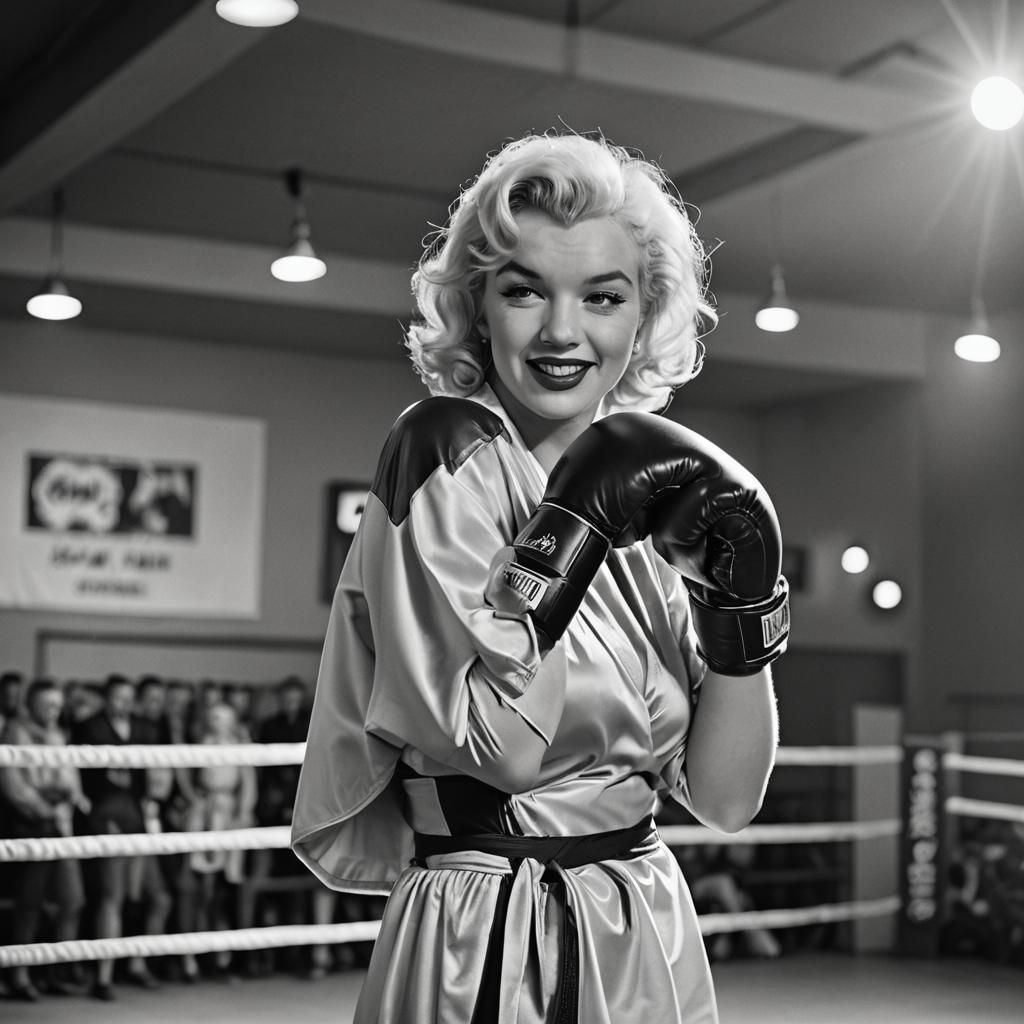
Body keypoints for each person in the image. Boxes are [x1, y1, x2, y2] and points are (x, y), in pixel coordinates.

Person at [292, 131, 789, 1023]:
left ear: (644, 314)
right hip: (487, 928)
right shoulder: (441, 452)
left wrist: (744, 610)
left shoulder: (654, 498)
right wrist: (571, 529)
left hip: (642, 919)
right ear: (479, 307)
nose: (563, 332)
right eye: (525, 291)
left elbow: (721, 799)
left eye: (603, 296)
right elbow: (506, 752)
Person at [71, 675, 169, 999]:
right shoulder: (89, 727)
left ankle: (137, 965)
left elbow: (152, 780)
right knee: (113, 896)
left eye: (128, 698)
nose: (123, 704)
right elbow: (82, 781)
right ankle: (104, 976)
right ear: (106, 698)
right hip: (106, 817)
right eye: (117, 698)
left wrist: (152, 807)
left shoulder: (145, 728)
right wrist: (95, 816)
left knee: (152, 896)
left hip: (139, 817)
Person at [0, 679, 89, 1000]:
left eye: (57, 705)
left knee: (72, 899)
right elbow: (14, 786)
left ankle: (57, 970)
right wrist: (44, 806)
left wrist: (72, 798)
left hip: (62, 828)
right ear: (31, 704)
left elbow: (71, 781)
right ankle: (19, 975)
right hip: (31, 827)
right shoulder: (15, 731)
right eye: (46, 705)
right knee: (30, 902)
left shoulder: (58, 734)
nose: (53, 711)